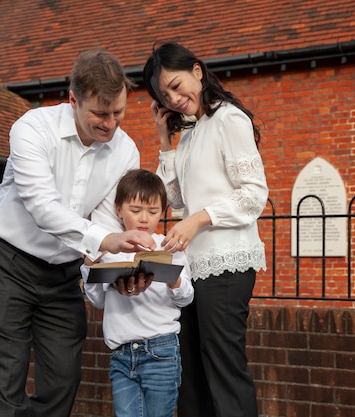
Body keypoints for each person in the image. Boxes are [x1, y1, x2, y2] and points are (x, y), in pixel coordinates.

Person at [0, 49, 156, 417]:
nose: (111, 124)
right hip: (7, 262)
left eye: (118, 112)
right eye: (100, 114)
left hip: (62, 276)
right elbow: (42, 207)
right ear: (73, 100)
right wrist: (104, 240)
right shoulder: (31, 128)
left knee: (62, 378)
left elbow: (107, 224)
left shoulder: (126, 151)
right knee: (6, 376)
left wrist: (115, 273)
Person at [143, 42, 269, 417]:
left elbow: (254, 195)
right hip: (193, 268)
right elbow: (176, 200)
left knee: (223, 369)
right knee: (191, 373)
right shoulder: (193, 133)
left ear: (198, 71)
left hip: (227, 264)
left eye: (178, 86)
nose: (176, 98)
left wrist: (199, 218)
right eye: (166, 95)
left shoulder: (229, 119)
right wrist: (166, 141)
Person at [81, 168, 194, 417]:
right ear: (119, 210)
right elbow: (98, 300)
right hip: (121, 354)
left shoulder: (170, 248)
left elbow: (186, 297)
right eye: (135, 210)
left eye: (153, 212)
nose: (144, 219)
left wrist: (171, 278)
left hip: (161, 351)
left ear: (162, 213)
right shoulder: (111, 250)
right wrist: (90, 265)